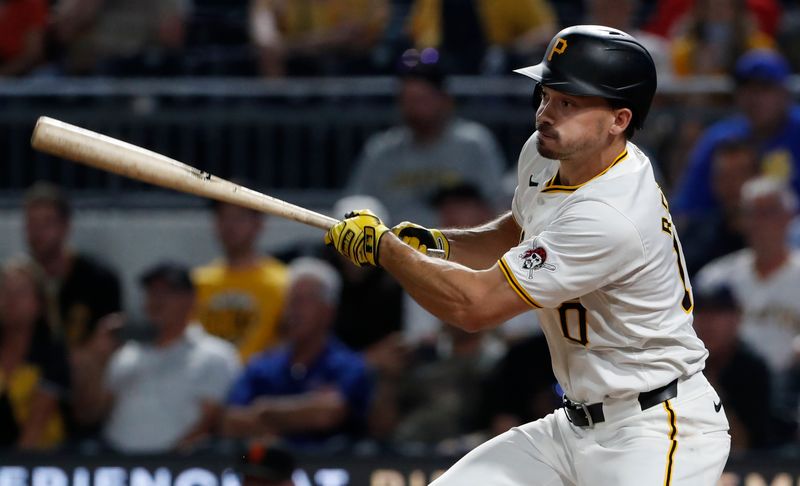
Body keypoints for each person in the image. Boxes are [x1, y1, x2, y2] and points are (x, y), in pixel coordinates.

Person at [325, 25, 730, 485]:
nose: (546, 113)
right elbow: (518, 229)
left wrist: (387, 252)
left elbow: (474, 307)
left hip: (655, 429)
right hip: (574, 424)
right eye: (547, 95)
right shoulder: (547, 154)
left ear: (619, 120)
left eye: (569, 103)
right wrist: (439, 243)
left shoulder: (611, 212)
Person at [71, 262, 241, 453]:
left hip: (177, 465)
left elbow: (210, 421)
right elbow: (88, 414)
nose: (158, 300)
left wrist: (167, 464)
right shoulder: (125, 353)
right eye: (152, 292)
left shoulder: (214, 354)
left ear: (191, 299)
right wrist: (97, 357)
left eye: (168, 292)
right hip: (115, 463)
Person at [221, 257, 374, 451]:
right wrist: (302, 413)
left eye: (303, 301)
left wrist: (263, 410)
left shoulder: (348, 365)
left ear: (328, 312)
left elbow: (327, 414)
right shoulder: (262, 365)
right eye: (291, 301)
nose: (294, 311)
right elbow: (230, 422)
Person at [346, 61, 506, 227]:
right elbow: (356, 201)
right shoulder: (382, 149)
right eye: (408, 101)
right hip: (390, 243)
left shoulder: (472, 143)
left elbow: (495, 203)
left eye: (422, 100)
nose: (415, 109)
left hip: (453, 243)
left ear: (445, 100)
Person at [694, 176, 800, 419]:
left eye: (769, 212)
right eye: (752, 213)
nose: (760, 223)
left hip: (789, 390)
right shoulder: (717, 277)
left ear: (788, 217)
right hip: (727, 387)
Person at [671, 49, 800, 215]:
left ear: (784, 93)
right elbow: (688, 207)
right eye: (746, 88)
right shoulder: (718, 141)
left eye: (765, 87)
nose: (755, 98)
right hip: (732, 235)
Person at [23, 182, 121, 349]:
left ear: (65, 226)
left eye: (47, 223)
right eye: (32, 223)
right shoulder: (18, 282)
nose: (38, 232)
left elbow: (108, 341)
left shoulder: (97, 278)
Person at [192, 200, 288, 362]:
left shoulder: (283, 283)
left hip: (260, 383)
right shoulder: (198, 281)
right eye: (223, 217)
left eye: (239, 218)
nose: (230, 226)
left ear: (258, 223)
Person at [691, 285, 775, 451]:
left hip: (744, 467)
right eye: (701, 313)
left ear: (736, 318)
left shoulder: (751, 368)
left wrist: (712, 390)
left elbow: (748, 444)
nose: (708, 322)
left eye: (717, 313)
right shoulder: (682, 361)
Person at [0, 258, 70, 450]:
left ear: (40, 303)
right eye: (5, 291)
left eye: (20, 293)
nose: (10, 300)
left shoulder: (52, 351)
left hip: (41, 459)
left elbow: (35, 426)